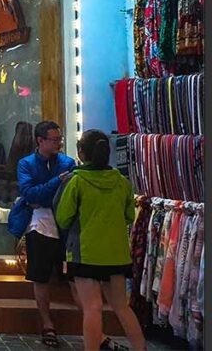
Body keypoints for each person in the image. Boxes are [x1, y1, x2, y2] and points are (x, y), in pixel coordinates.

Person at [55, 130, 147, 351]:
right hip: (116, 253)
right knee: (122, 307)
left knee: (92, 308)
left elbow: (63, 217)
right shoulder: (121, 181)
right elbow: (128, 216)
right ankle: (140, 347)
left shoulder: (76, 181)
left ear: (80, 152)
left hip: (84, 252)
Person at [8, 121, 75, 348]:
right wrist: (56, 182)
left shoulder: (68, 162)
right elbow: (29, 193)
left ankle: (88, 322)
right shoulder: (26, 164)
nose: (59, 143)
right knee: (40, 276)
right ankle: (47, 322)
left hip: (63, 224)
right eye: (54, 139)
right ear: (40, 140)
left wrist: (43, 194)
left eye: (59, 139)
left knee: (72, 275)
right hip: (38, 224)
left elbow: (62, 195)